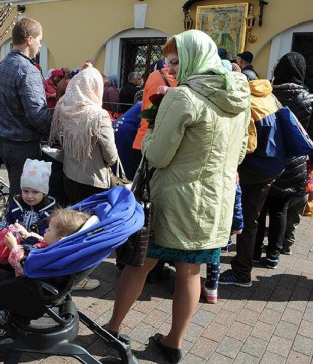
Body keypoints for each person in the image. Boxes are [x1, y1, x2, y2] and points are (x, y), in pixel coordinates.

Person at [106, 30, 250, 363]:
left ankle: (112, 328)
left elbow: (157, 155)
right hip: (213, 205)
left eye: (175, 62)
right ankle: (173, 343)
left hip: (173, 201)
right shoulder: (238, 96)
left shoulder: (183, 97)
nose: (169, 69)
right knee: (190, 272)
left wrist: (152, 130)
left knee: (139, 264)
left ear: (193, 60)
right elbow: (241, 151)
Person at [219, 78, 284, 287]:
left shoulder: (247, 103)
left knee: (246, 220)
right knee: (253, 217)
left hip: (255, 169)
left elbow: (247, 146)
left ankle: (241, 272)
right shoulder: (268, 96)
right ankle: (249, 259)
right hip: (273, 165)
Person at [253, 52, 313, 268]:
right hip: (294, 162)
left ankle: (254, 252)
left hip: (266, 158)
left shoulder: (267, 94)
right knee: (281, 209)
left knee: (259, 208)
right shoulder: (309, 99)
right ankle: (273, 255)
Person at [0, 17, 52, 198]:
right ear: (29, 40)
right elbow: (37, 115)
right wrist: (54, 131)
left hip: (5, 142)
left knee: (18, 193)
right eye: (39, 40)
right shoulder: (27, 69)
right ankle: (13, 217)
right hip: (22, 145)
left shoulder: (4, 63)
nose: (40, 45)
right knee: (24, 199)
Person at [50, 65, 118, 205]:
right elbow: (110, 154)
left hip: (69, 175)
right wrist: (110, 161)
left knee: (75, 213)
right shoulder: (98, 115)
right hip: (93, 179)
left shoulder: (64, 107)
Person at [132, 63, 178, 170]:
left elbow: (144, 106)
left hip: (142, 139)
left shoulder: (154, 76)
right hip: (163, 147)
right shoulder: (186, 83)